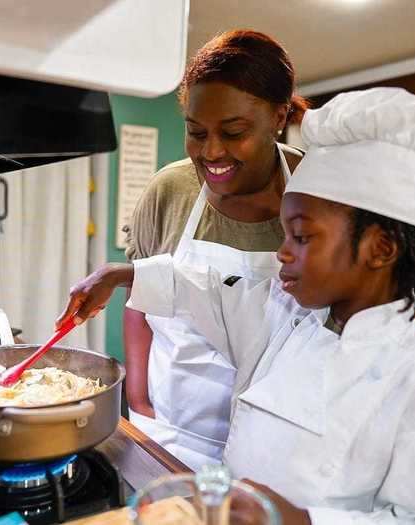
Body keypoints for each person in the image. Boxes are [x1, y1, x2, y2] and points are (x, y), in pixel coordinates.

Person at [59, 88, 415, 523]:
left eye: (302, 236)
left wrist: (304, 519)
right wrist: (122, 274)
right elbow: (210, 290)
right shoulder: (285, 319)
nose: (282, 253)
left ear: (381, 248)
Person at [122, 29, 307, 469]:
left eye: (234, 131)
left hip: (279, 446)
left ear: (278, 116)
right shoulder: (170, 190)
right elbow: (140, 304)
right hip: (170, 429)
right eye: (196, 132)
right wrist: (137, 397)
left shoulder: (316, 191)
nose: (212, 151)